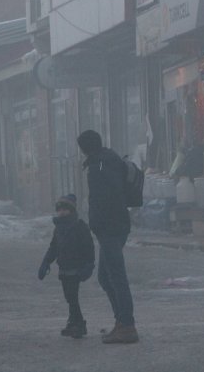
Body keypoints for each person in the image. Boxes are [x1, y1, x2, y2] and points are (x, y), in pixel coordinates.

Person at [76, 129, 139, 344]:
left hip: (110, 227)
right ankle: (122, 323)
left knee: (116, 276)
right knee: (105, 276)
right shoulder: (107, 159)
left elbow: (104, 197)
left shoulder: (99, 165)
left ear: (85, 148)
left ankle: (127, 325)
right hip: (115, 225)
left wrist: (96, 222)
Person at [37, 194, 95, 339]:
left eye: (65, 209)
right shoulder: (58, 229)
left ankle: (79, 324)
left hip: (76, 269)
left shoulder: (79, 227)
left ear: (71, 210)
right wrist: (46, 262)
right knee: (69, 297)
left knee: (72, 297)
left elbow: (88, 247)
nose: (62, 212)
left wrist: (89, 265)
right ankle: (73, 321)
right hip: (64, 269)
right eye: (59, 210)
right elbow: (54, 247)